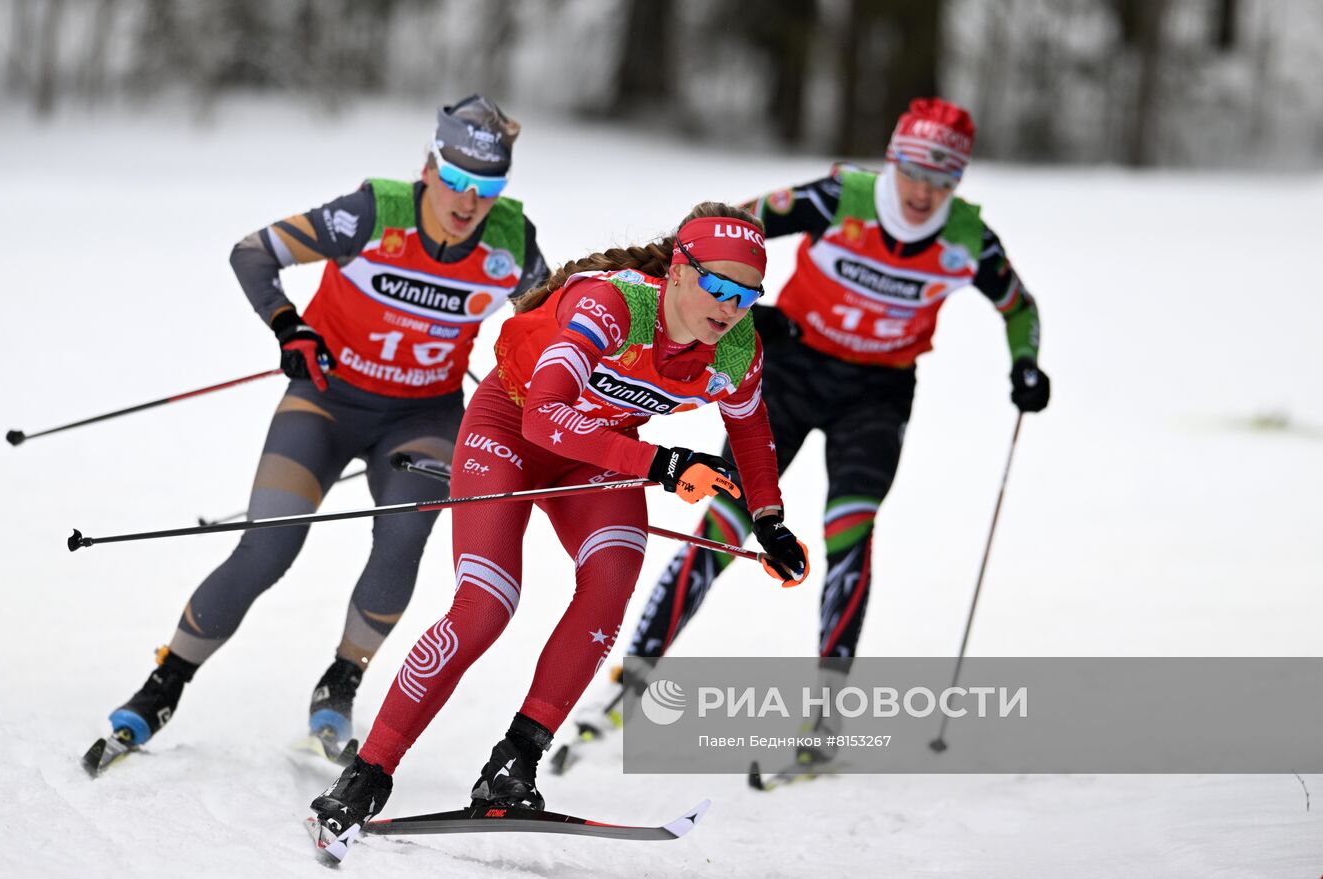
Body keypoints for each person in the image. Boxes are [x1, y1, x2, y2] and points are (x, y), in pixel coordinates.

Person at [306, 202, 811, 858]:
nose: (728, 306)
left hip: (597, 451)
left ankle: (513, 764)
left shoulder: (736, 348)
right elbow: (545, 417)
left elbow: (749, 429)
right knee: (486, 605)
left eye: (746, 295)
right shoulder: (611, 305)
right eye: (716, 284)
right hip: (510, 428)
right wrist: (662, 463)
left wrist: (768, 518)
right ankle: (365, 776)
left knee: (610, 582)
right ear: (680, 272)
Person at [564, 97, 1050, 763]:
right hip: (788, 372)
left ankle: (828, 714)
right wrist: (735, 307)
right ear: (893, 160)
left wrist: (1026, 366)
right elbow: (722, 232)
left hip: (876, 394)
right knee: (728, 519)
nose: (922, 191)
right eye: (913, 171)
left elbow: (1020, 307)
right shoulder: (840, 197)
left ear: (958, 182)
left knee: (850, 529)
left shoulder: (967, 238)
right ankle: (634, 681)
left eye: (942, 180)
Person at [97, 95, 549, 758]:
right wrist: (290, 325)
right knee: (268, 546)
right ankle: (164, 682)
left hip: (424, 417)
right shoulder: (371, 212)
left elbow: (548, 329)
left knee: (401, 540)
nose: (466, 202)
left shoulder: (512, 240)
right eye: (454, 181)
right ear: (429, 167)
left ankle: (341, 680)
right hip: (326, 401)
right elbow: (251, 252)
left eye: (485, 190)